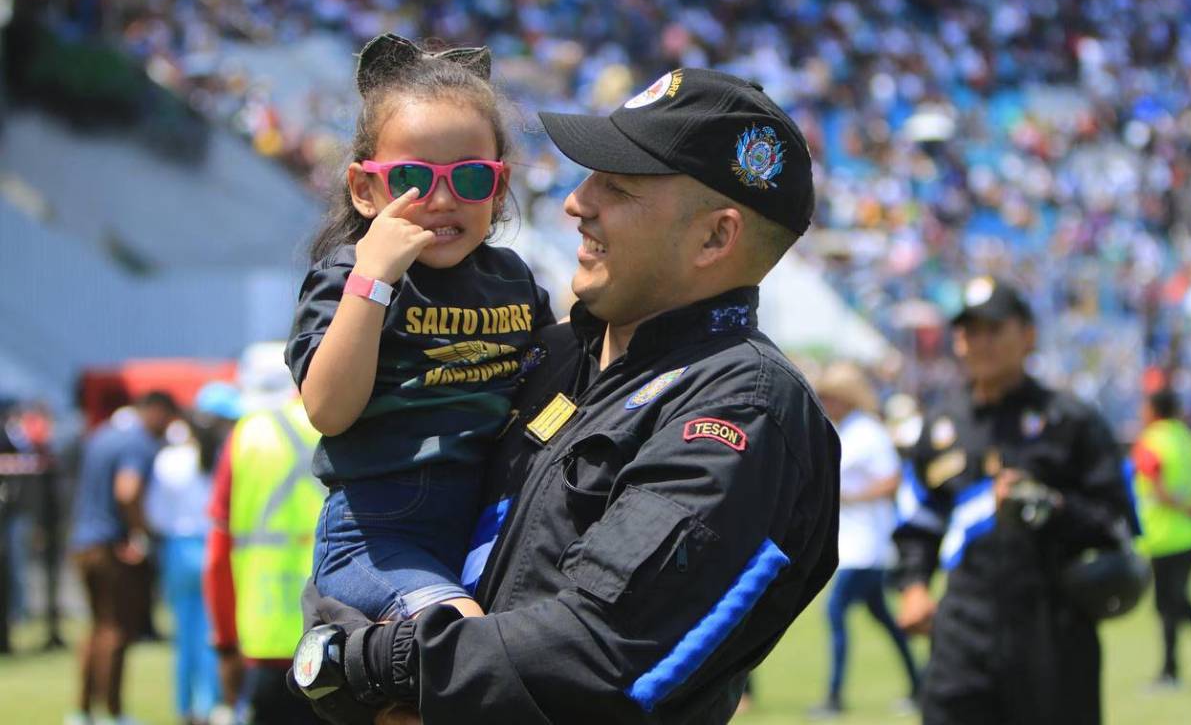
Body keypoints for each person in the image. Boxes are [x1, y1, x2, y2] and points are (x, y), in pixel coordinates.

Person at [289, 67, 840, 725]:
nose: (576, 204)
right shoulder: (550, 354)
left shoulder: (742, 406)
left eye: (618, 186)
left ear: (716, 237)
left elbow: (602, 655)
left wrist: (372, 664)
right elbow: (375, 527)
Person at [285, 34, 553, 625]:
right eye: (412, 177)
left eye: (471, 179)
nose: (441, 199)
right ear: (365, 189)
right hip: (377, 537)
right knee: (463, 640)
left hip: (490, 529)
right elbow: (328, 410)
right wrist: (374, 278)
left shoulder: (515, 280)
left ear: (500, 188)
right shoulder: (346, 277)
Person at [892, 278, 1137, 725]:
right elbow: (919, 521)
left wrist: (1049, 507)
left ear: (1027, 335)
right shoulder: (941, 425)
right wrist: (913, 586)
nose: (978, 342)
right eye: (968, 331)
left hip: (1053, 630)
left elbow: (1119, 523)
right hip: (963, 632)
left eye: (993, 329)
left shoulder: (1071, 421)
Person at [203, 358, 328, 725]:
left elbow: (218, 553)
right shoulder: (341, 421)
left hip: (266, 638)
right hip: (343, 635)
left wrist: (225, 642)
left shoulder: (243, 438)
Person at [808, 361, 920, 718]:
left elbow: (892, 480)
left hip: (868, 545)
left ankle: (835, 696)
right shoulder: (846, 430)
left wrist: (852, 497)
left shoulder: (867, 432)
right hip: (855, 544)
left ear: (845, 397)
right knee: (884, 619)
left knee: (835, 612)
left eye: (829, 396)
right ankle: (920, 685)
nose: (825, 403)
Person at [65, 390, 179, 725]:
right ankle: (113, 714)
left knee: (97, 629)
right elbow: (127, 491)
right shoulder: (137, 443)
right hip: (113, 547)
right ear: (157, 410)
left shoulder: (102, 435)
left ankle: (82, 711)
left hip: (83, 543)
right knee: (116, 631)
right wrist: (140, 533)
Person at [146, 383, 240, 725]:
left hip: (177, 547)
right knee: (215, 630)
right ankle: (213, 704)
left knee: (183, 634)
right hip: (212, 543)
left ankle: (185, 706)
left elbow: (156, 514)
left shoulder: (168, 458)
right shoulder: (225, 454)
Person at [1131, 387, 1191, 690]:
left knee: (1171, 604)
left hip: (1164, 537)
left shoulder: (1150, 441)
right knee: (1173, 602)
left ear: (1153, 410)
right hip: (1190, 534)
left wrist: (1188, 506)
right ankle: (1189, 662)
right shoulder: (1187, 438)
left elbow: (1157, 489)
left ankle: (1176, 669)